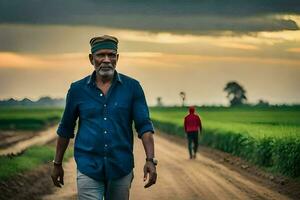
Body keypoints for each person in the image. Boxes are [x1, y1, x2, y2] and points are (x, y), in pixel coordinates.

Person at [51, 35, 158, 200]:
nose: (106, 60)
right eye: (101, 55)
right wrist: (57, 164)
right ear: (91, 58)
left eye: (111, 55)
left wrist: (150, 160)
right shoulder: (77, 90)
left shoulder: (133, 88)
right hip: (88, 166)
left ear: (117, 58)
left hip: (121, 166)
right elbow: (65, 129)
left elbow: (144, 126)